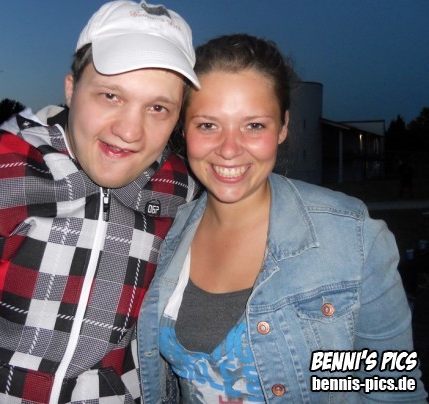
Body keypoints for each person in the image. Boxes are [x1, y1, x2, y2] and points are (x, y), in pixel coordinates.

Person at [0, 1, 201, 403]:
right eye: (110, 95)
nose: (130, 130)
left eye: (157, 107)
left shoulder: (182, 189)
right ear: (71, 88)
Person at [137, 33, 427, 402]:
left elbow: (390, 387)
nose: (229, 149)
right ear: (185, 129)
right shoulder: (170, 233)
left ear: (284, 126)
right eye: (208, 125)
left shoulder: (352, 238)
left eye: (254, 125)